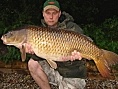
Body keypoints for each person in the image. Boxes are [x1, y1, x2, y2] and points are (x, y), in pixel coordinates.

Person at [26, 0, 87, 89]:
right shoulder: (39, 31)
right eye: (48, 13)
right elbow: (42, 56)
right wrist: (32, 52)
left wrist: (75, 58)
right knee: (32, 63)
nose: (51, 17)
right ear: (43, 14)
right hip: (55, 71)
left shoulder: (72, 28)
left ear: (59, 14)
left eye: (54, 13)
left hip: (72, 74)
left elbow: (83, 54)